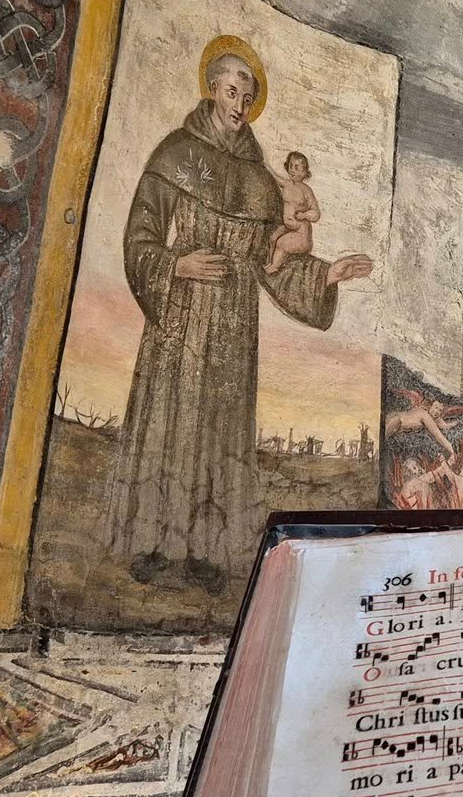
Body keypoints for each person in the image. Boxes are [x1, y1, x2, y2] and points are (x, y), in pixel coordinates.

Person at [109, 38, 372, 593]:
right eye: (232, 93)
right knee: (172, 419)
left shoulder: (259, 177)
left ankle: (205, 551)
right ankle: (154, 543)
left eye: (248, 98)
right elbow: (139, 236)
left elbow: (270, 260)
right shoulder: (175, 154)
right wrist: (176, 264)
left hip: (233, 321)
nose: (240, 106)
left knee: (221, 428)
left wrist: (327, 274)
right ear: (212, 89)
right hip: (180, 314)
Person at [265, 150, 320, 273]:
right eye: (290, 166)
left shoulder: (306, 191)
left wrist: (304, 215)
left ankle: (274, 267)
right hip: (288, 228)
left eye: (296, 167)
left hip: (301, 233)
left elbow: (316, 214)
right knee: (272, 238)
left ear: (304, 171)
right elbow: (275, 177)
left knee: (281, 243)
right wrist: (266, 165)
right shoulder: (287, 184)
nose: (292, 170)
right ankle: (268, 263)